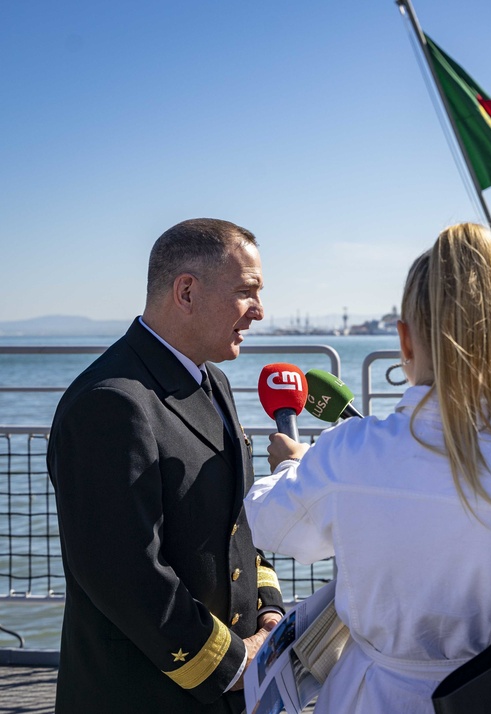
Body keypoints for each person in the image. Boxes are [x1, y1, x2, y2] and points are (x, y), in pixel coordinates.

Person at [244, 223, 491, 714]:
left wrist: (293, 469)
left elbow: (270, 526)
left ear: (405, 341)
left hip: (366, 697)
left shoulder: (350, 452)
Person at [47, 218, 284, 713]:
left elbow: (236, 522)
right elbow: (126, 575)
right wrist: (232, 667)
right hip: (145, 695)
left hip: (224, 685)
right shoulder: (110, 402)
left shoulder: (211, 380)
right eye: (247, 292)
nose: (259, 311)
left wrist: (268, 610)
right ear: (186, 291)